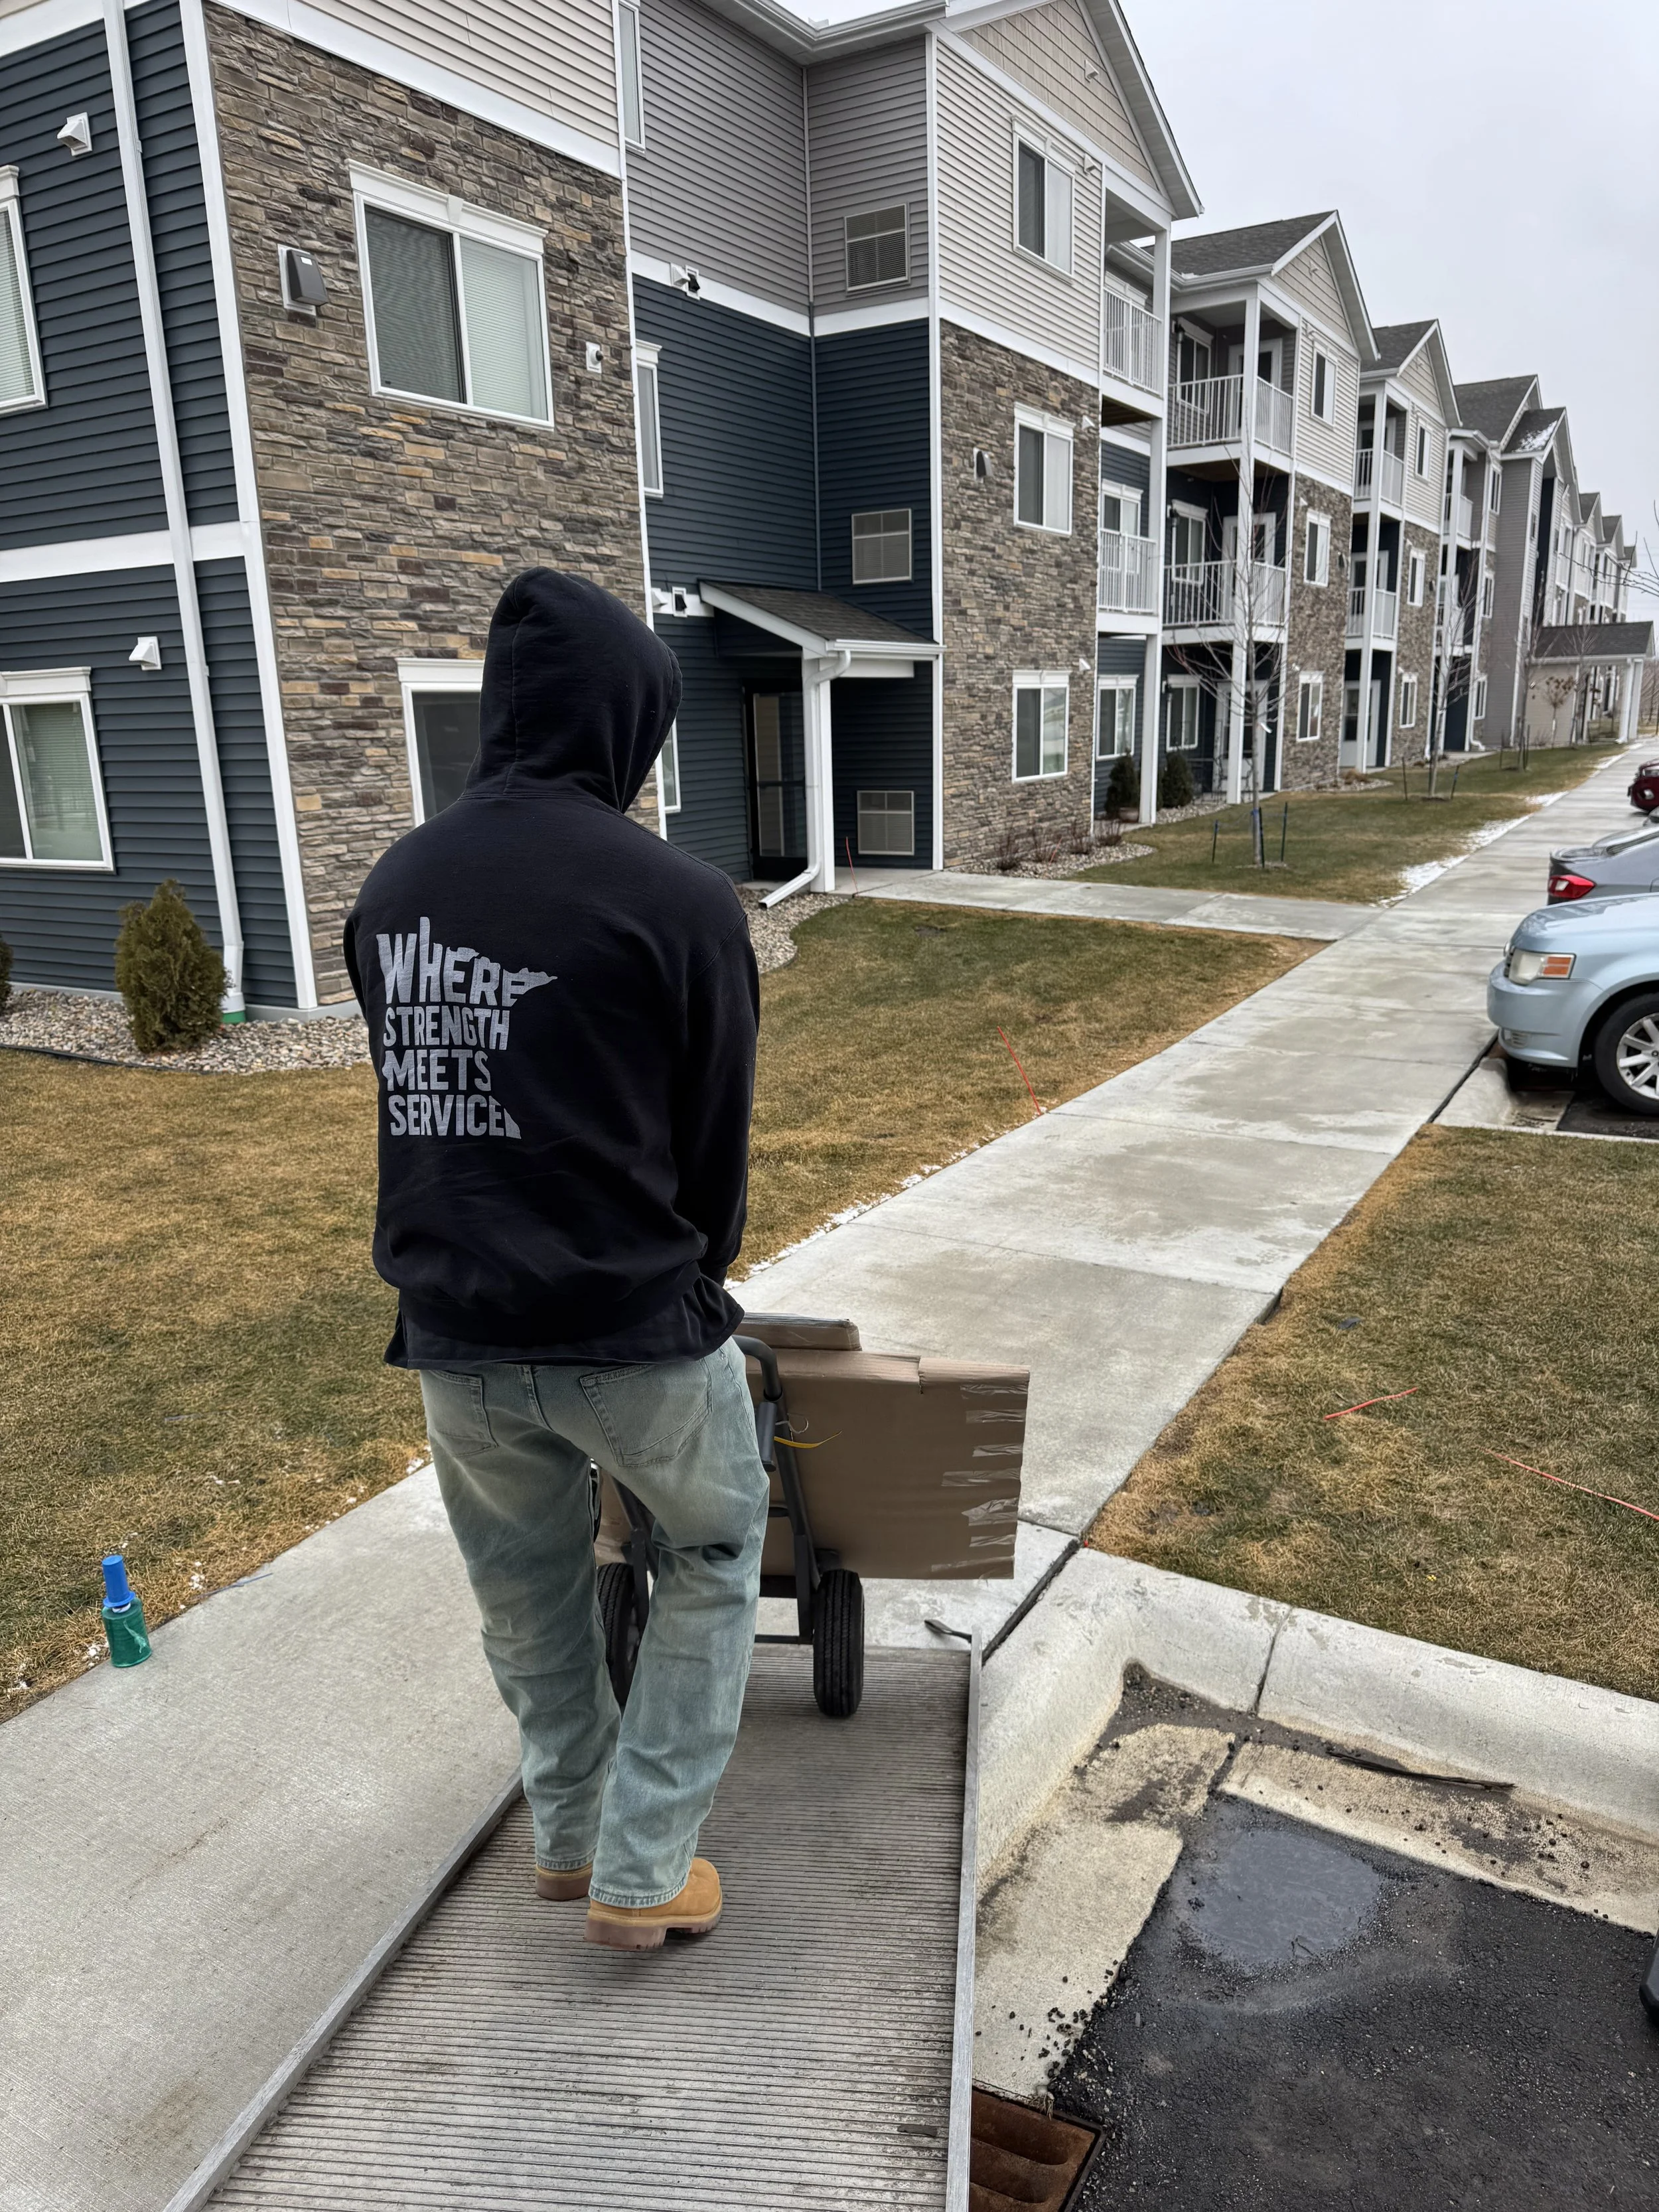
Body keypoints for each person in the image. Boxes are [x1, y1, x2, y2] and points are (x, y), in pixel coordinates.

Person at [344, 569, 766, 1953]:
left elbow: (430, 1107)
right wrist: (702, 1273)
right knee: (710, 1543)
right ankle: (643, 1869)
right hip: (627, 1330)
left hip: (452, 1342)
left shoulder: (392, 887)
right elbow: (711, 1144)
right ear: (624, 727)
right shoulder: (679, 901)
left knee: (524, 1592)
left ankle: (565, 1834)